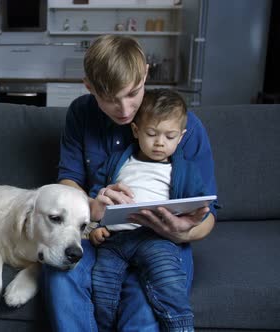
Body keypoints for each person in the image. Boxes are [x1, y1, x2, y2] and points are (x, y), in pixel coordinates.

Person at [42, 34, 217, 331]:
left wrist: (181, 233)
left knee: (146, 299)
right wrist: (92, 206)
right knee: (59, 272)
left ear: (146, 73)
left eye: (133, 93)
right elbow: (68, 181)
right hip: (101, 237)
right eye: (109, 98)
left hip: (161, 243)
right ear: (89, 87)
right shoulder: (81, 114)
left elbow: (209, 215)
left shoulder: (182, 126)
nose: (124, 109)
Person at [88, 88, 214, 331]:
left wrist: (194, 217)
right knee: (101, 288)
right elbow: (97, 197)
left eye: (169, 136)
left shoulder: (185, 170)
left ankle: (181, 327)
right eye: (152, 133)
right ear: (136, 131)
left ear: (181, 137)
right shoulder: (118, 161)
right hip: (114, 241)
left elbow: (200, 204)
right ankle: (104, 327)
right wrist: (94, 227)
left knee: (168, 281)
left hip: (155, 238)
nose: (159, 142)